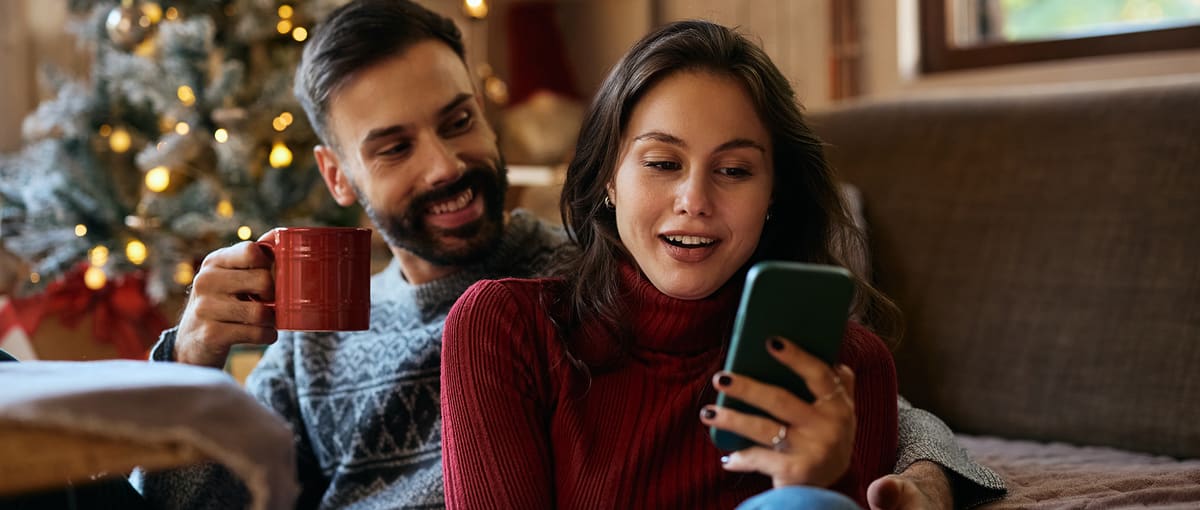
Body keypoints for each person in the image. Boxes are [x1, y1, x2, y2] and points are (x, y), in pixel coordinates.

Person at [138, 1, 1005, 509]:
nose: (445, 165)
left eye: (458, 120)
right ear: (337, 175)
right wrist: (193, 361)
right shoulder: (315, 339)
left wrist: (922, 475)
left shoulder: (588, 273)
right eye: (395, 148)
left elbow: (864, 397)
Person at [440, 19, 898, 509]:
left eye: (734, 170)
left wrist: (818, 488)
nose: (694, 200)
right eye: (662, 163)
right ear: (609, 180)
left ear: (773, 194)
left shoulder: (851, 370)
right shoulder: (503, 328)